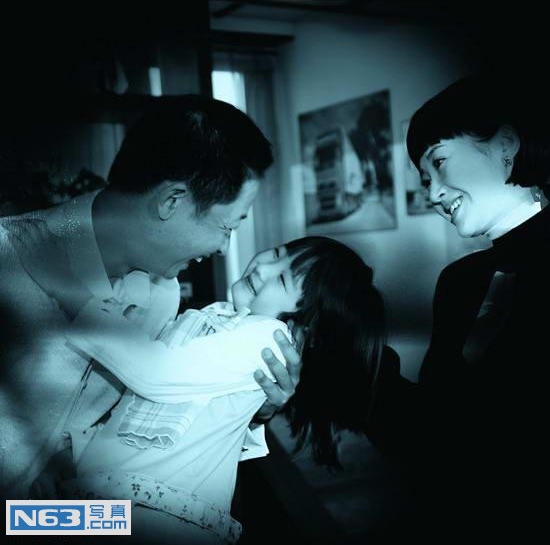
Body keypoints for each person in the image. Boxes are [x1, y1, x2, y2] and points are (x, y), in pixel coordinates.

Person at [0, 95, 299, 499]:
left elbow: (143, 406)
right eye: (227, 227)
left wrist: (252, 404)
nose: (224, 248)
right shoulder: (8, 256)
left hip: (49, 515)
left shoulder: (161, 296)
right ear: (171, 201)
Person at [18, 235, 385, 543]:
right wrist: (71, 454)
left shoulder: (266, 337)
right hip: (116, 502)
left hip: (156, 517)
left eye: (283, 279)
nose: (264, 267)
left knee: (19, 522)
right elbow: (136, 407)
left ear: (304, 329)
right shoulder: (220, 318)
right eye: (277, 253)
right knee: (19, 520)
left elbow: (156, 373)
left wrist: (78, 298)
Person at [364, 74, 550, 542]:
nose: (432, 195)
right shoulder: (459, 281)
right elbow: (437, 428)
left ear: (506, 143)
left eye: (439, 162)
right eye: (425, 179)